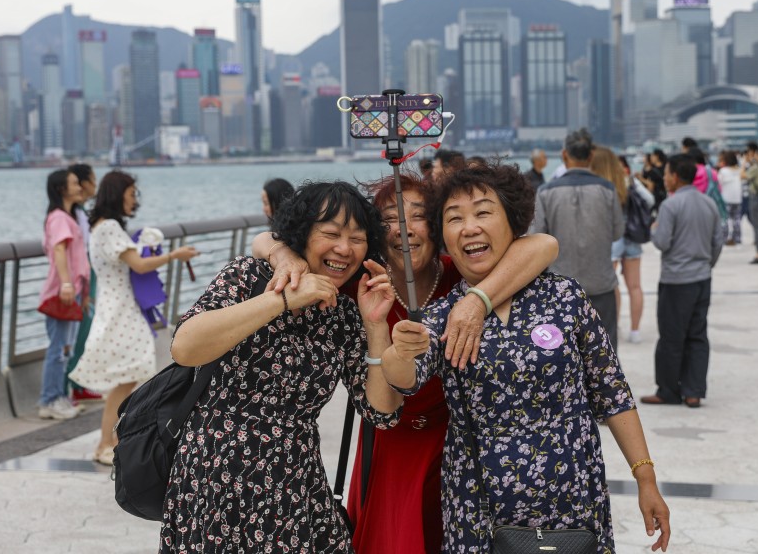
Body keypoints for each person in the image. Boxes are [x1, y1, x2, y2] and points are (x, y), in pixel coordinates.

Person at [255, 171, 558, 554]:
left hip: (456, 440)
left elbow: (544, 244)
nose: (403, 229)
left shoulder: (460, 275)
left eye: (416, 216)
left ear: (434, 225)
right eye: (388, 220)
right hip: (389, 440)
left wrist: (475, 300)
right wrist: (282, 253)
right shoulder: (360, 282)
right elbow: (264, 238)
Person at [381, 162, 671, 553]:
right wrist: (399, 349)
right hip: (479, 510)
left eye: (483, 212)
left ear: (513, 224)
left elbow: (612, 393)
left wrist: (645, 478)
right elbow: (405, 377)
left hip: (573, 500)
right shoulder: (440, 316)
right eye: (454, 218)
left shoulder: (565, 297)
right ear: (445, 237)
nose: (469, 227)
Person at [160, 182, 402, 553]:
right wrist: (283, 299)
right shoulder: (250, 277)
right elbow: (185, 347)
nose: (344, 248)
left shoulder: (344, 314)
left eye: (358, 238)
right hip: (215, 475)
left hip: (295, 480)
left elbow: (382, 412)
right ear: (302, 234)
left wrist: (375, 326)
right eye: (331, 234)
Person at [69, 171, 199, 465]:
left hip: (115, 308)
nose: (134, 200)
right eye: (131, 194)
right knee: (125, 379)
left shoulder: (101, 226)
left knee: (125, 379)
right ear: (118, 194)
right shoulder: (111, 227)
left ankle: (112, 441)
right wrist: (173, 256)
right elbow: (139, 265)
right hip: (121, 312)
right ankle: (105, 443)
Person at [641, 154, 724, 408]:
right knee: (697, 335)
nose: (664, 178)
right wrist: (706, 264)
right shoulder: (709, 203)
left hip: (676, 280)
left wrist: (654, 229)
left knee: (671, 337)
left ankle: (668, 390)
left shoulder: (670, 205)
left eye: (666, 174)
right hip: (701, 278)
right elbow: (717, 241)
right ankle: (694, 391)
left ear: (675, 176)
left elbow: (662, 242)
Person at [531, 129, 625, 350]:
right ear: (591, 156)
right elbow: (617, 233)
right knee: (606, 351)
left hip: (559, 288)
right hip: (601, 284)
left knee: (562, 354)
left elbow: (537, 237)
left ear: (564, 155)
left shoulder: (546, 192)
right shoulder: (608, 190)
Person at [37, 169, 90, 420]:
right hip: (63, 291)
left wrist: (82, 291)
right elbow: (59, 250)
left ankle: (58, 397)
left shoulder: (67, 216)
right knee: (58, 349)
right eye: (73, 183)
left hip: (73, 291)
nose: (79, 187)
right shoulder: (59, 217)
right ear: (61, 189)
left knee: (65, 349)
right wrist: (66, 284)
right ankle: (49, 400)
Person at [592, 147, 654, 344]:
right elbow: (650, 199)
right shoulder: (630, 180)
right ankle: (635, 331)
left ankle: (614, 326)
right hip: (633, 237)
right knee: (635, 286)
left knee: (612, 285)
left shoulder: (603, 184)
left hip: (613, 237)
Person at [65, 163, 101, 404]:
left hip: (88, 273)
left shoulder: (82, 212)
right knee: (76, 333)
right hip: (79, 276)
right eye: (91, 180)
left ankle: (79, 383)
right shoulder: (71, 214)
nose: (93, 185)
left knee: (86, 330)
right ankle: (70, 386)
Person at [717, 150, 744, 246]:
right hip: (737, 198)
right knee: (737, 219)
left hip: (726, 198)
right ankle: (737, 238)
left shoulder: (723, 171)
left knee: (725, 219)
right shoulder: (739, 170)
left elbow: (719, 183)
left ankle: (724, 238)